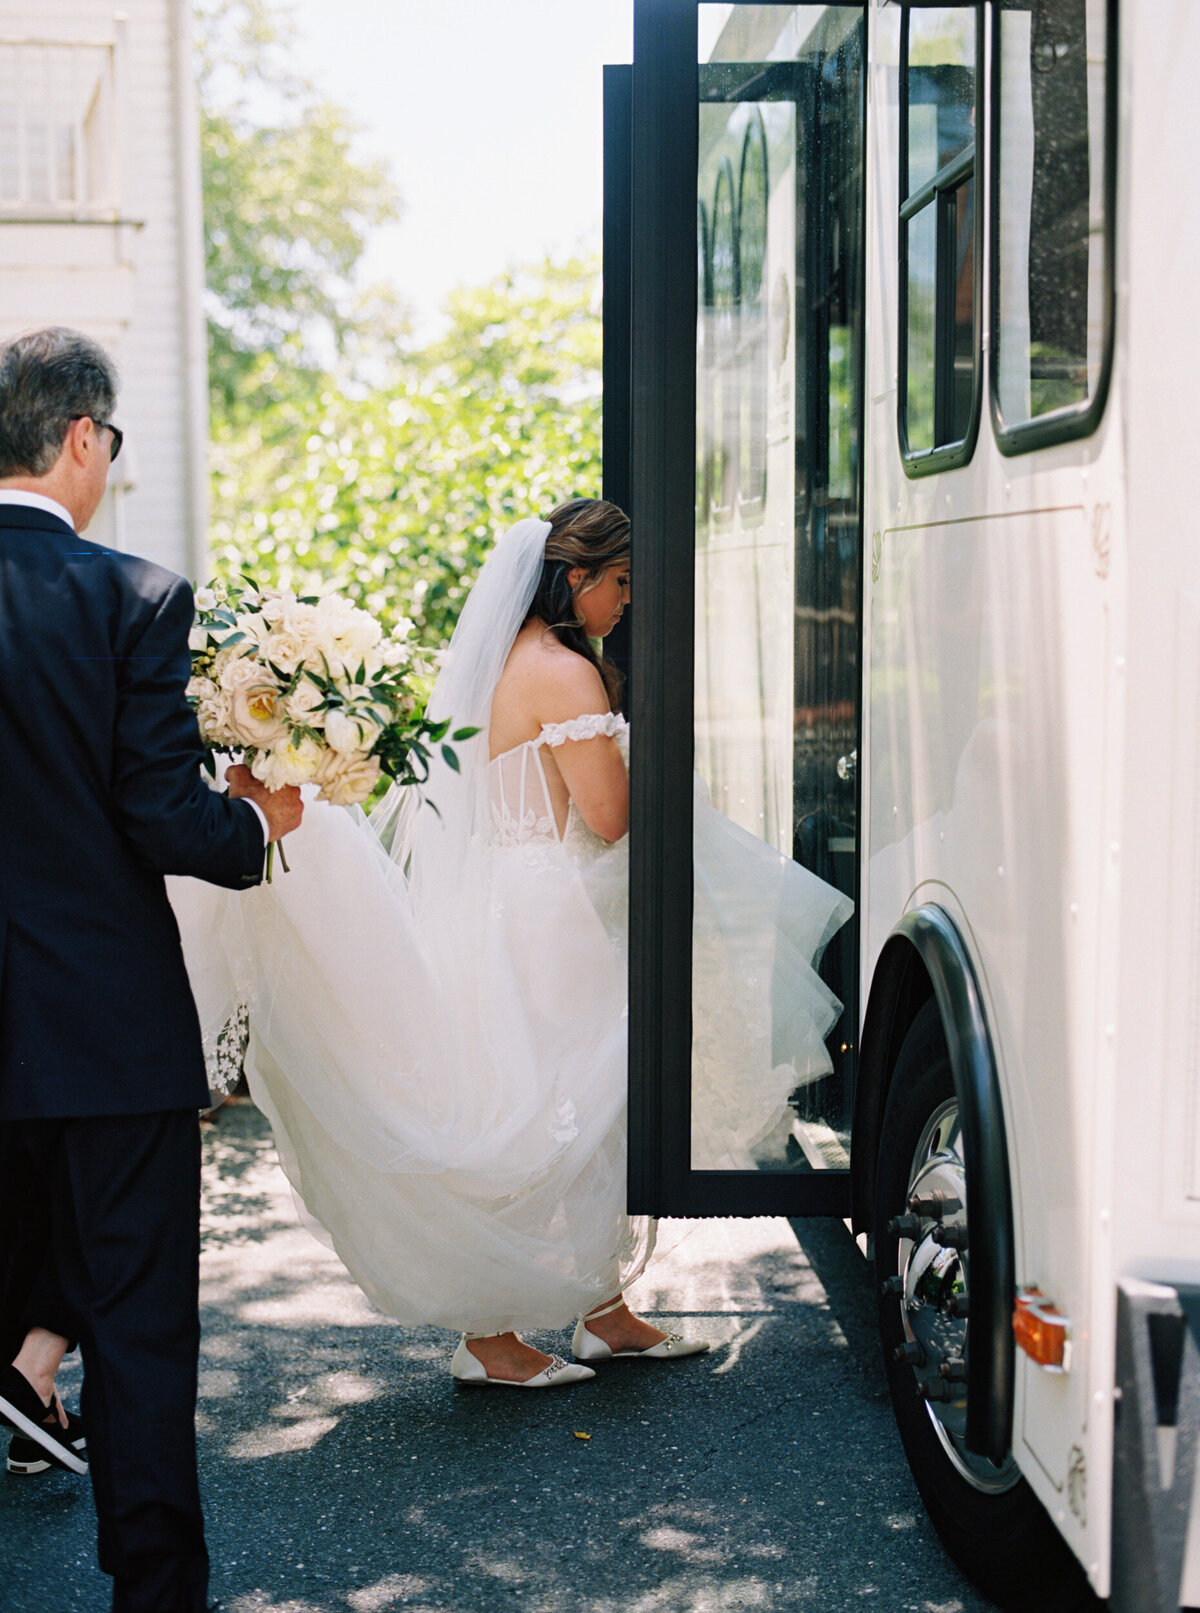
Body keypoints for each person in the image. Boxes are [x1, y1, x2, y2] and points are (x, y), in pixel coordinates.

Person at [172, 500, 851, 1387]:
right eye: (619, 583)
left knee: (570, 1103)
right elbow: (608, 818)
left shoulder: (506, 660)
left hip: (501, 900)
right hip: (548, 911)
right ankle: (489, 1335)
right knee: (550, 1110)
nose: (626, 602)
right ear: (577, 579)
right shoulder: (566, 672)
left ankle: (604, 1314)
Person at [0, 326, 303, 1612]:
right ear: (80, 438)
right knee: (138, 1321)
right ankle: (159, 1588)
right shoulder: (133, 597)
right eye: (111, 443)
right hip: (106, 1029)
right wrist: (261, 822)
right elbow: (161, 816)